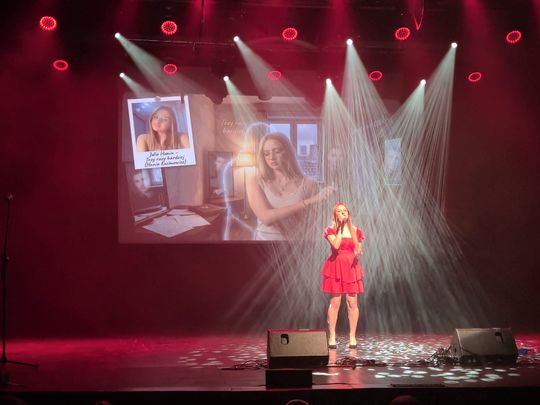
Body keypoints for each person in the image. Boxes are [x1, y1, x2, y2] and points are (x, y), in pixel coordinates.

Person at [246, 132, 333, 240]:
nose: (272, 157)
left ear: (288, 152)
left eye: (277, 151)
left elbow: (319, 221)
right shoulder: (256, 180)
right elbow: (266, 218)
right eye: (266, 154)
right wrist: (308, 202)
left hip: (297, 243)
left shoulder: (309, 184)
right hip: (264, 243)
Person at [321, 202, 364, 349]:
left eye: (344, 210)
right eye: (339, 211)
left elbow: (358, 248)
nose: (342, 213)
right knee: (335, 303)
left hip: (351, 267)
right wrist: (340, 226)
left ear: (348, 213)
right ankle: (332, 335)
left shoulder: (356, 230)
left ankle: (352, 336)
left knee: (352, 302)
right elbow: (336, 245)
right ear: (335, 215)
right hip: (336, 266)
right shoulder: (330, 229)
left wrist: (358, 251)